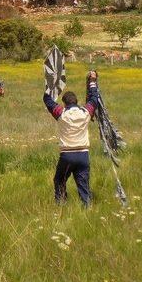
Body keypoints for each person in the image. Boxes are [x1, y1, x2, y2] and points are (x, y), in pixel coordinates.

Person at [43, 71, 99, 207]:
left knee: (59, 180)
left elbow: (47, 100)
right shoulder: (86, 113)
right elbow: (94, 99)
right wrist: (92, 80)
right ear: (76, 101)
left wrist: (50, 86)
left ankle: (61, 206)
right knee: (83, 185)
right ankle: (87, 209)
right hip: (83, 155)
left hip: (67, 155)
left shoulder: (61, 114)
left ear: (64, 103)